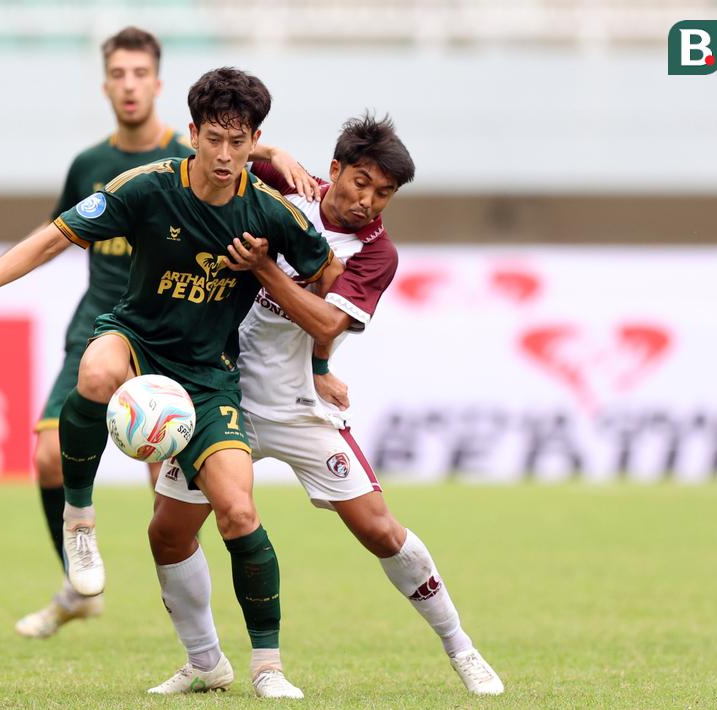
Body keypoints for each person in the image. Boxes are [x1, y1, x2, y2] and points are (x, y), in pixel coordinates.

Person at [0, 67, 338, 698]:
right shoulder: (146, 187)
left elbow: (328, 277)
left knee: (238, 510)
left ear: (255, 139)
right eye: (214, 140)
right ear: (192, 134)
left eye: (240, 141)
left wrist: (311, 355)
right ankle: (81, 522)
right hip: (137, 342)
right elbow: (55, 237)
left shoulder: (271, 213)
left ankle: (266, 667)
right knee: (95, 370)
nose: (225, 156)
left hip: (208, 379)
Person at [147, 114, 505, 696]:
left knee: (381, 531)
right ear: (334, 169)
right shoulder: (285, 185)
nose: (368, 201)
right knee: (167, 533)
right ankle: (205, 662)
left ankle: (461, 648)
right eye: (360, 182)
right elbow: (223, 150)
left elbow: (328, 320)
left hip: (295, 407)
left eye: (384, 193)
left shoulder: (375, 254)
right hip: (220, 397)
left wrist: (265, 269)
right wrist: (273, 148)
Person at [6, 26, 193, 640]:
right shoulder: (89, 166)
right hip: (94, 329)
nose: (130, 84)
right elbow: (55, 235)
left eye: (141, 74)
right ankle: (76, 585)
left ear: (158, 83)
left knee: (165, 493)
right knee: (46, 458)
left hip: (162, 339)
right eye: (120, 74)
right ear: (106, 82)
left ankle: (192, 634)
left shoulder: (191, 160)